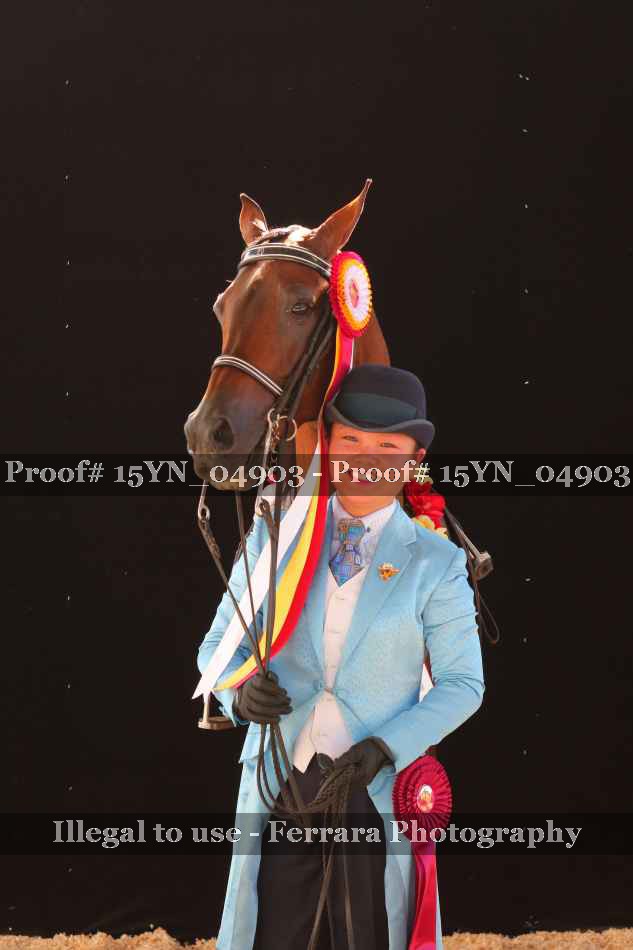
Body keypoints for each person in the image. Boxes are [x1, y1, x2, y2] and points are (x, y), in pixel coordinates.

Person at [197, 363, 485, 950]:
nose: (365, 459)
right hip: (283, 780)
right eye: (350, 440)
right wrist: (236, 691)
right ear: (327, 444)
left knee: (366, 930)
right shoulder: (277, 535)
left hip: (372, 788)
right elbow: (217, 647)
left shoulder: (436, 562)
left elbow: (463, 684)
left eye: (387, 447)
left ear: (414, 458)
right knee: (273, 928)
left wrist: (387, 746)